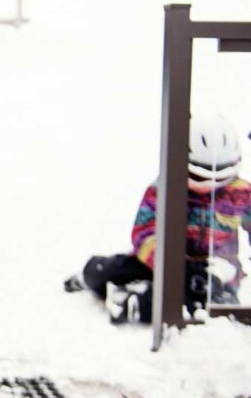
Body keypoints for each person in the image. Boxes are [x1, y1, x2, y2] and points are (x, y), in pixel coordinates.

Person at [64, 114, 250, 324]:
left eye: (222, 178)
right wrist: (169, 263)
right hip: (161, 262)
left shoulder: (242, 194)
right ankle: (91, 277)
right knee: (108, 270)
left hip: (215, 270)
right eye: (199, 177)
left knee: (191, 298)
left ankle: (137, 304)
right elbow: (144, 233)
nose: (210, 185)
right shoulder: (164, 190)